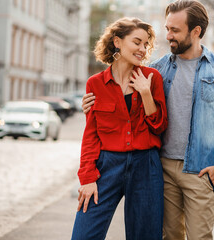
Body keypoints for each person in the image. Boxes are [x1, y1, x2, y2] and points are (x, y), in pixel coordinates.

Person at [82, 1, 214, 239]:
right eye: (167, 28)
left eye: (175, 30)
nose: (168, 36)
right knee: (169, 236)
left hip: (200, 170)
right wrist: (90, 106)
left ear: (196, 31)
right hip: (163, 169)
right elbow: (129, 111)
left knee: (200, 236)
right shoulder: (157, 70)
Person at [71, 17, 168, 240]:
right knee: (84, 235)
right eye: (137, 42)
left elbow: (159, 126)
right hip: (106, 166)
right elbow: (91, 135)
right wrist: (87, 178)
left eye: (146, 44)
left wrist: (145, 93)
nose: (142, 49)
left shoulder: (152, 78)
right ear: (117, 41)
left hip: (146, 166)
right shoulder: (95, 84)